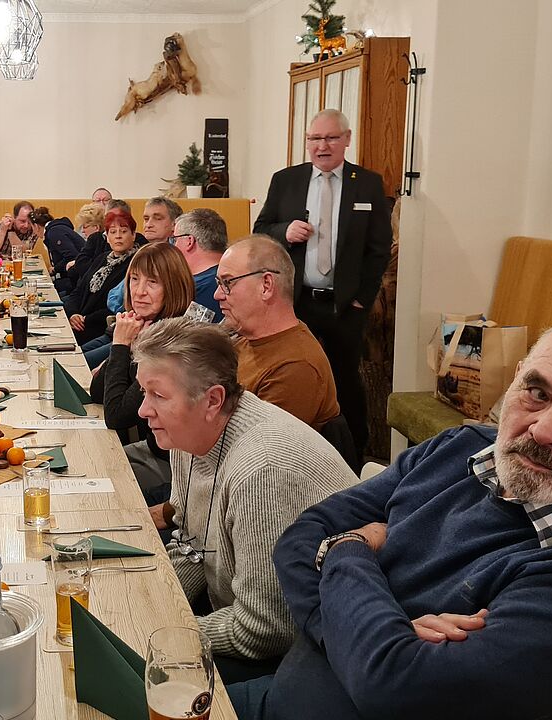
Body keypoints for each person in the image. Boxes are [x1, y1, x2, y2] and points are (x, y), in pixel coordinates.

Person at [230, 321, 552, 720]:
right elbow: (299, 538)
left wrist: (347, 550)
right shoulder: (460, 449)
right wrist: (367, 641)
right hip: (275, 695)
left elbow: (396, 690)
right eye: (537, 393)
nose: (545, 430)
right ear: (512, 385)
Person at [132, 318, 358, 685]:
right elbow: (193, 547)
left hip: (309, 655)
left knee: (143, 683)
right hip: (237, 616)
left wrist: (168, 636)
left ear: (213, 399)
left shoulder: (263, 471)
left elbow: (267, 628)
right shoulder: (190, 434)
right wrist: (152, 605)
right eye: (144, 393)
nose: (143, 410)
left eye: (158, 395)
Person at [253, 108, 391, 458]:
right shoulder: (286, 180)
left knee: (345, 382)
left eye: (330, 138)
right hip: (297, 302)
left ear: (346, 140)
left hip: (345, 305)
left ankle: (354, 456)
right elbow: (261, 229)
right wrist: (284, 231)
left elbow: (378, 250)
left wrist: (362, 297)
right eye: (314, 138)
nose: (322, 146)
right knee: (300, 376)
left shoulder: (368, 184)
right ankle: (297, 451)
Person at [87, 243, 195, 507]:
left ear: (173, 287)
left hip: (175, 468)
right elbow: (99, 391)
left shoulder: (173, 341)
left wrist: (122, 345)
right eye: (134, 279)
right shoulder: (150, 327)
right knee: (86, 461)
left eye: (153, 282)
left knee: (96, 490)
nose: (139, 291)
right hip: (151, 449)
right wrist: (123, 346)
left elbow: (117, 416)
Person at [214, 235, 339, 431]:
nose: (218, 294)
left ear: (266, 285)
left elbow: (258, 451)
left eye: (227, 283)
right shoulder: (244, 339)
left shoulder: (296, 366)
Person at [65, 207, 139, 344]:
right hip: (79, 322)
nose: (118, 236)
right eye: (113, 232)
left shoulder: (135, 264)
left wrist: (85, 319)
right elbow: (78, 291)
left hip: (103, 328)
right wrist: (73, 314)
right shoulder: (102, 258)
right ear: (107, 237)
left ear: (133, 235)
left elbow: (124, 306)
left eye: (124, 231)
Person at [106, 197, 184, 313]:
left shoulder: (179, 257)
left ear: (175, 224)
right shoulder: (144, 252)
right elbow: (113, 298)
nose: (148, 224)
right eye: (146, 219)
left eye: (157, 218)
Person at [30, 206, 85, 280]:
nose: (33, 232)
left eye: (32, 228)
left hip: (77, 278)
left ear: (36, 226)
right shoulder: (55, 230)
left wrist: (55, 269)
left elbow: (72, 256)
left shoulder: (54, 232)